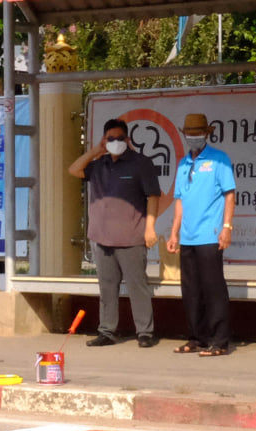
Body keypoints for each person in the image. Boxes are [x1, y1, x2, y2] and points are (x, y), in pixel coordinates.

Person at [69, 118, 161, 348]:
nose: (116, 142)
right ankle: (107, 331)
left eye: (120, 138)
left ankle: (145, 332)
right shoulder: (99, 164)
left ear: (128, 139)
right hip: (101, 236)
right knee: (107, 286)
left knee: (136, 285)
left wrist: (150, 227)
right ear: (104, 140)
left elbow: (153, 196)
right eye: (111, 139)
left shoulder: (141, 163)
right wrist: (95, 151)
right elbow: (74, 170)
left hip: (131, 235)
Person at [165, 112, 236, 356]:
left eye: (197, 134)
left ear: (207, 134)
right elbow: (180, 201)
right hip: (187, 236)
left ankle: (220, 341)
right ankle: (196, 337)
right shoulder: (183, 164)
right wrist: (174, 233)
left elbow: (229, 194)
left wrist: (226, 227)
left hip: (210, 234)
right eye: (189, 134)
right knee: (191, 290)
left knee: (213, 288)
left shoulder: (219, 160)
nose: (193, 138)